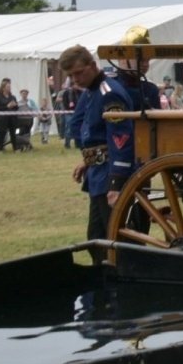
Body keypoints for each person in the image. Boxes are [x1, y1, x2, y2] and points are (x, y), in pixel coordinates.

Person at [59, 44, 140, 241]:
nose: (76, 79)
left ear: (93, 65)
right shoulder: (91, 91)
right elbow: (82, 128)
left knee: (115, 238)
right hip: (98, 174)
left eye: (79, 72)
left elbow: (121, 141)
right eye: (71, 76)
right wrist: (88, 159)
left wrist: (116, 183)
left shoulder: (108, 93)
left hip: (110, 176)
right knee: (96, 238)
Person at [0, 79, 18, 151]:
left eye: (10, 87)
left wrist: (15, 105)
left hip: (12, 118)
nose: (10, 88)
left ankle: (15, 148)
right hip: (2, 119)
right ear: (3, 88)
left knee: (13, 133)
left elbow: (16, 108)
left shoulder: (13, 97)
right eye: (8, 87)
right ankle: (1, 148)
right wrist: (7, 107)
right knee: (2, 134)